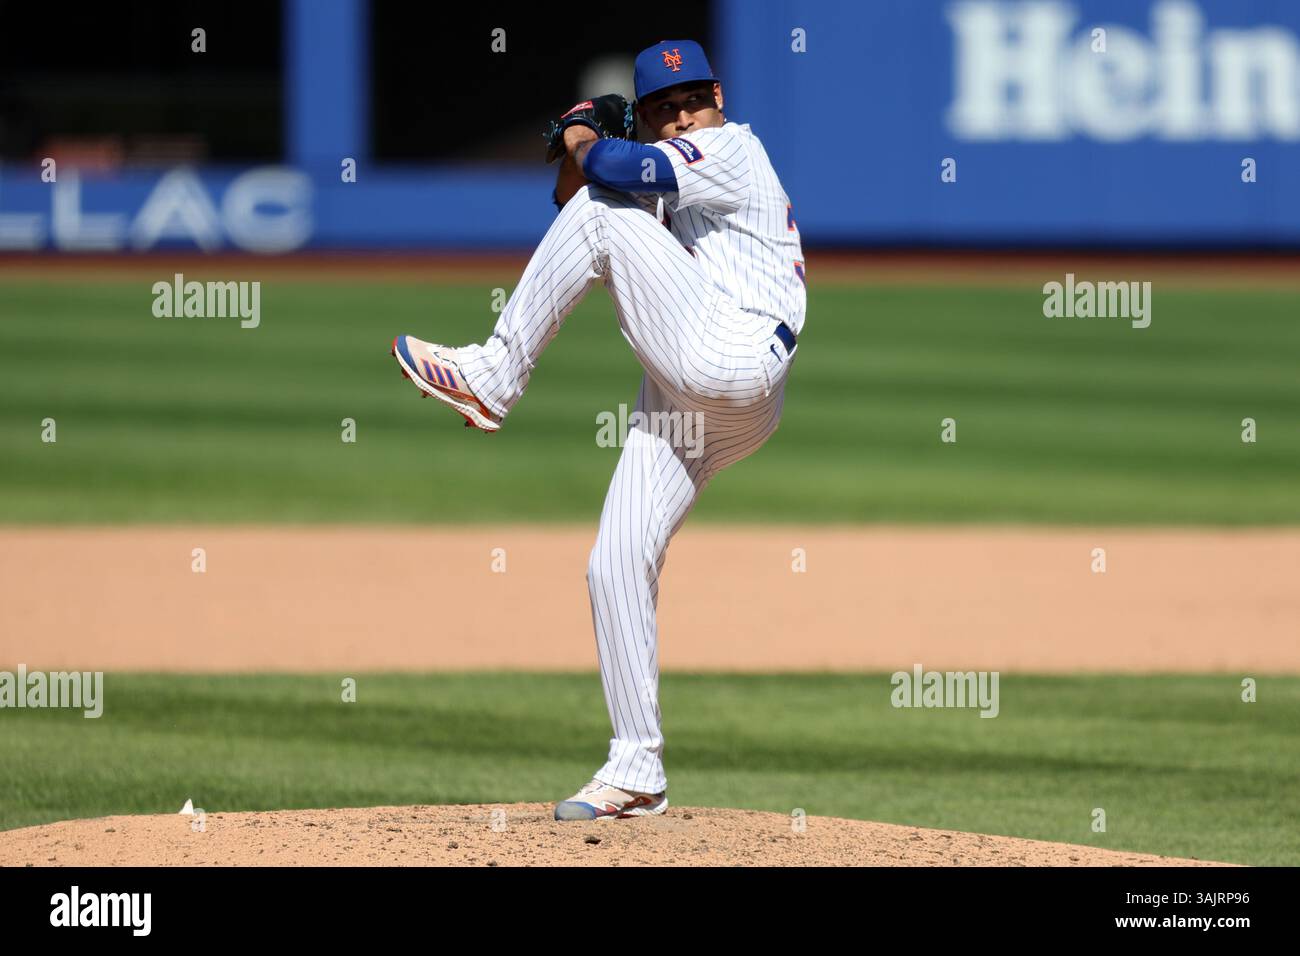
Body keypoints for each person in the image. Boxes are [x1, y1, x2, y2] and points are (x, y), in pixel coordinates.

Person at [391, 39, 805, 820]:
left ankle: (493, 375)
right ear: (649, 116)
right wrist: (579, 144)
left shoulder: (730, 149)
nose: (686, 113)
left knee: (602, 216)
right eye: (665, 107)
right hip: (708, 389)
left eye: (694, 99)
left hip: (734, 356)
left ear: (718, 98)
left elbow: (606, 179)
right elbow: (569, 193)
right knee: (614, 561)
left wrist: (588, 136)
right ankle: (636, 768)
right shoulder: (662, 165)